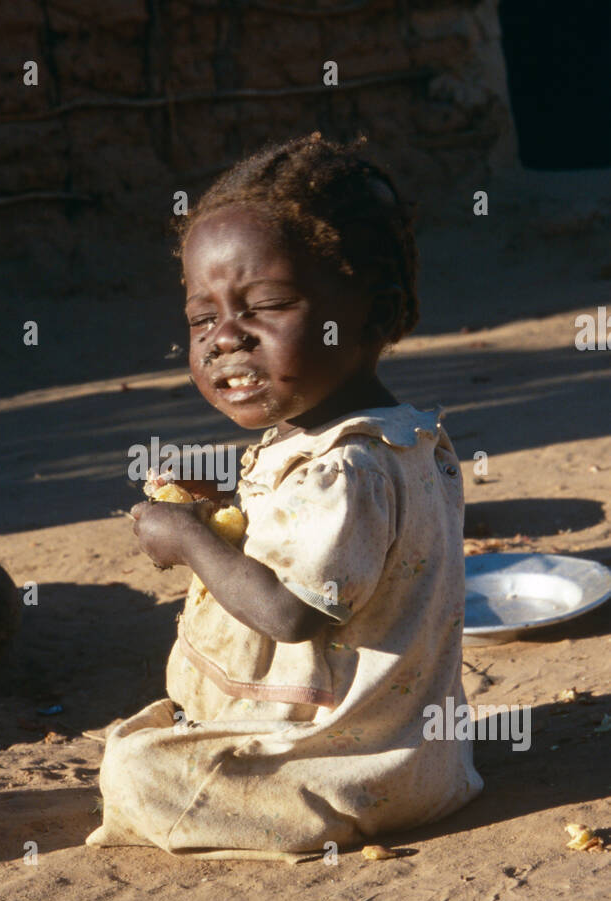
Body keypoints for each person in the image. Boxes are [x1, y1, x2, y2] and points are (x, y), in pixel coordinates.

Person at [86, 132, 483, 860]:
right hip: (416, 749)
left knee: (135, 768)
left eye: (265, 306)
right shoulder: (392, 438)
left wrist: (190, 541)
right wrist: (220, 509)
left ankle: (321, 804)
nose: (225, 340)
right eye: (203, 317)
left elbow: (289, 611)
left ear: (373, 311)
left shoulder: (348, 468)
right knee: (160, 735)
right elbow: (299, 541)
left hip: (356, 766)